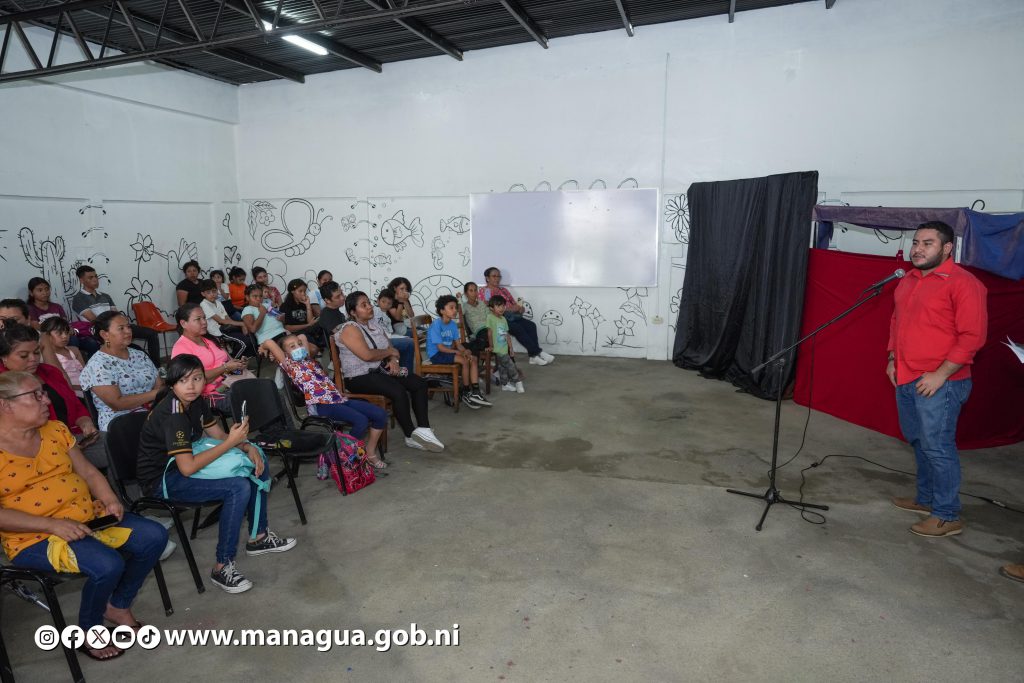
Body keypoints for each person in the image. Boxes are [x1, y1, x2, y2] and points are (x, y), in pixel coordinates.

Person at [0, 371, 167, 661]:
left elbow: (88, 472)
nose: (46, 400)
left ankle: (117, 605)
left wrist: (110, 499)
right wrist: (52, 524)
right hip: (35, 537)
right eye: (35, 395)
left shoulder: (55, 430)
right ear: (5, 405)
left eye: (44, 392)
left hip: (87, 518)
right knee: (107, 564)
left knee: (154, 536)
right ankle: (89, 631)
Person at [136, 354, 295, 594]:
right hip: (162, 480)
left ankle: (259, 537)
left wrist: (246, 446)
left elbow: (219, 435)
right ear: (172, 384)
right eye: (183, 380)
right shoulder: (173, 415)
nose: (191, 386)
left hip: (183, 462)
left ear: (205, 379)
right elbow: (188, 468)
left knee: (255, 458)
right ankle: (222, 566)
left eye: (197, 378)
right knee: (237, 487)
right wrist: (232, 442)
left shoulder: (197, 401)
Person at [887, 221, 987, 538]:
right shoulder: (908, 280)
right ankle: (926, 499)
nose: (918, 249)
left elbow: (972, 337)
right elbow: (897, 321)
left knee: (938, 446)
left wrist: (940, 375)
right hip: (906, 376)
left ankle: (947, 515)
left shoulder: (964, 283)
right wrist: (892, 359)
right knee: (918, 440)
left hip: (941, 382)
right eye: (916, 242)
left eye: (927, 243)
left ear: (947, 248)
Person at [337, 292, 444, 452]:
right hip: (359, 377)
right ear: (353, 312)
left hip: (380, 370)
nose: (369, 307)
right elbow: (367, 355)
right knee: (398, 391)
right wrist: (389, 353)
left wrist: (393, 360)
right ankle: (410, 435)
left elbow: (390, 347)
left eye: (369, 303)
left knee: (419, 383)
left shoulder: (374, 323)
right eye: (363, 305)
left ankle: (424, 430)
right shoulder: (349, 329)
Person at [261, 334, 388, 469]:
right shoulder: (289, 365)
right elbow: (269, 342)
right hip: (323, 405)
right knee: (361, 420)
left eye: (299, 344)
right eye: (292, 347)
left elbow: (303, 336)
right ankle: (343, 454)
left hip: (339, 399)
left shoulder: (308, 359)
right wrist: (263, 347)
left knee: (380, 414)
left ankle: (369, 451)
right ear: (285, 354)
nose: (298, 347)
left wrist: (296, 343)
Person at [0, 324, 108, 469]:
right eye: (24, 355)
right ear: (4, 358)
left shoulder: (50, 372)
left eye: (37, 352)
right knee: (117, 452)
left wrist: (85, 422)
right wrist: (63, 445)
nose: (33, 359)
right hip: (36, 453)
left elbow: (76, 405)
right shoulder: (4, 387)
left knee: (119, 441)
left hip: (74, 438)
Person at [79, 311, 163, 432]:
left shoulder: (139, 355)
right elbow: (117, 403)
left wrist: (156, 401)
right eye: (121, 328)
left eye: (128, 327)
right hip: (120, 421)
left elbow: (159, 385)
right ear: (105, 334)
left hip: (149, 413)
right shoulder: (98, 364)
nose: (128, 331)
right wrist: (154, 394)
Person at [71, 265, 161, 366]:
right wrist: (116, 326)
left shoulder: (105, 296)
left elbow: (116, 314)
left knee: (151, 333)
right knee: (138, 350)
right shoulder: (79, 298)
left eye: (96, 276)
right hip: (101, 331)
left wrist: (122, 322)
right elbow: (95, 320)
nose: (95, 279)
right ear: (82, 280)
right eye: (90, 277)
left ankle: (157, 367)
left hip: (117, 327)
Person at [171, 304, 246, 414]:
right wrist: (225, 368)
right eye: (198, 319)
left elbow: (227, 361)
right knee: (251, 400)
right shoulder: (181, 349)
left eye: (204, 318)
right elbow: (194, 380)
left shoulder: (210, 339)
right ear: (183, 323)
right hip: (208, 396)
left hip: (230, 382)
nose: (204, 322)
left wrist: (238, 364)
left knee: (264, 390)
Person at [480, 267, 555, 366]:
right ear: (487, 278)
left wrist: (520, 308)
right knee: (517, 328)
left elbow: (514, 303)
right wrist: (508, 309)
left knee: (531, 325)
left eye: (498, 276)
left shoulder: (504, 290)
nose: (497, 278)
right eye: (494, 276)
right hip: (498, 319)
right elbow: (489, 308)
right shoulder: (485, 291)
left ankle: (533, 356)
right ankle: (536, 353)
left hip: (512, 316)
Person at [427, 295, 490, 409]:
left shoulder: (452, 324)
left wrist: (465, 351)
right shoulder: (436, 325)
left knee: (473, 358)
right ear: (442, 311)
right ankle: (466, 392)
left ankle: (476, 392)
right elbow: (440, 348)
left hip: (448, 352)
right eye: (451, 308)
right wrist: (458, 353)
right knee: (464, 361)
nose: (455, 310)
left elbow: (458, 344)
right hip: (437, 355)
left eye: (455, 307)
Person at [199, 279, 252, 356]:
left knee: (248, 335)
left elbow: (227, 318)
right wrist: (241, 324)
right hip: (218, 332)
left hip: (227, 328)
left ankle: (241, 359)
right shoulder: (204, 304)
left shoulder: (218, 302)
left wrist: (241, 325)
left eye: (214, 291)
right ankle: (233, 360)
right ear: (203, 294)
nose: (212, 294)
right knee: (245, 343)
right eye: (208, 292)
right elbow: (220, 321)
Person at [486, 295, 524, 393]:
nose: (501, 308)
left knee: (502, 367)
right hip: (498, 349)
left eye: (503, 306)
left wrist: (510, 348)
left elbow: (507, 334)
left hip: (504, 347)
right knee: (510, 365)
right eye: (498, 306)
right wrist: (491, 345)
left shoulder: (503, 319)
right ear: (491, 308)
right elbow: (489, 333)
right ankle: (517, 381)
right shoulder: (490, 317)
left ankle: (505, 384)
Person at [39, 317, 86, 397]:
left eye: (67, 332)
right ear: (47, 335)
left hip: (86, 389)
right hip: (68, 392)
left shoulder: (74, 350)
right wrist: (77, 388)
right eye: (59, 333)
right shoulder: (47, 357)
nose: (64, 336)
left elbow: (85, 373)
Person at [374, 288, 415, 372]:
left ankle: (402, 370)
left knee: (409, 340)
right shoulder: (374, 310)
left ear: (391, 304)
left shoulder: (388, 318)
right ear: (378, 301)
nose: (386, 305)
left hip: (389, 337)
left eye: (389, 303)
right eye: (383, 301)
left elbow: (390, 332)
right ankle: (407, 373)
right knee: (410, 342)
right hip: (380, 339)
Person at [279, 278, 324, 354]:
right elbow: (288, 327)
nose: (303, 293)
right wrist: (307, 325)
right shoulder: (285, 306)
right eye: (300, 291)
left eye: (304, 291)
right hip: (296, 334)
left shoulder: (303, 304)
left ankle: (320, 343)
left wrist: (308, 305)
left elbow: (310, 321)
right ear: (292, 291)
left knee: (321, 321)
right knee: (313, 348)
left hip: (308, 330)